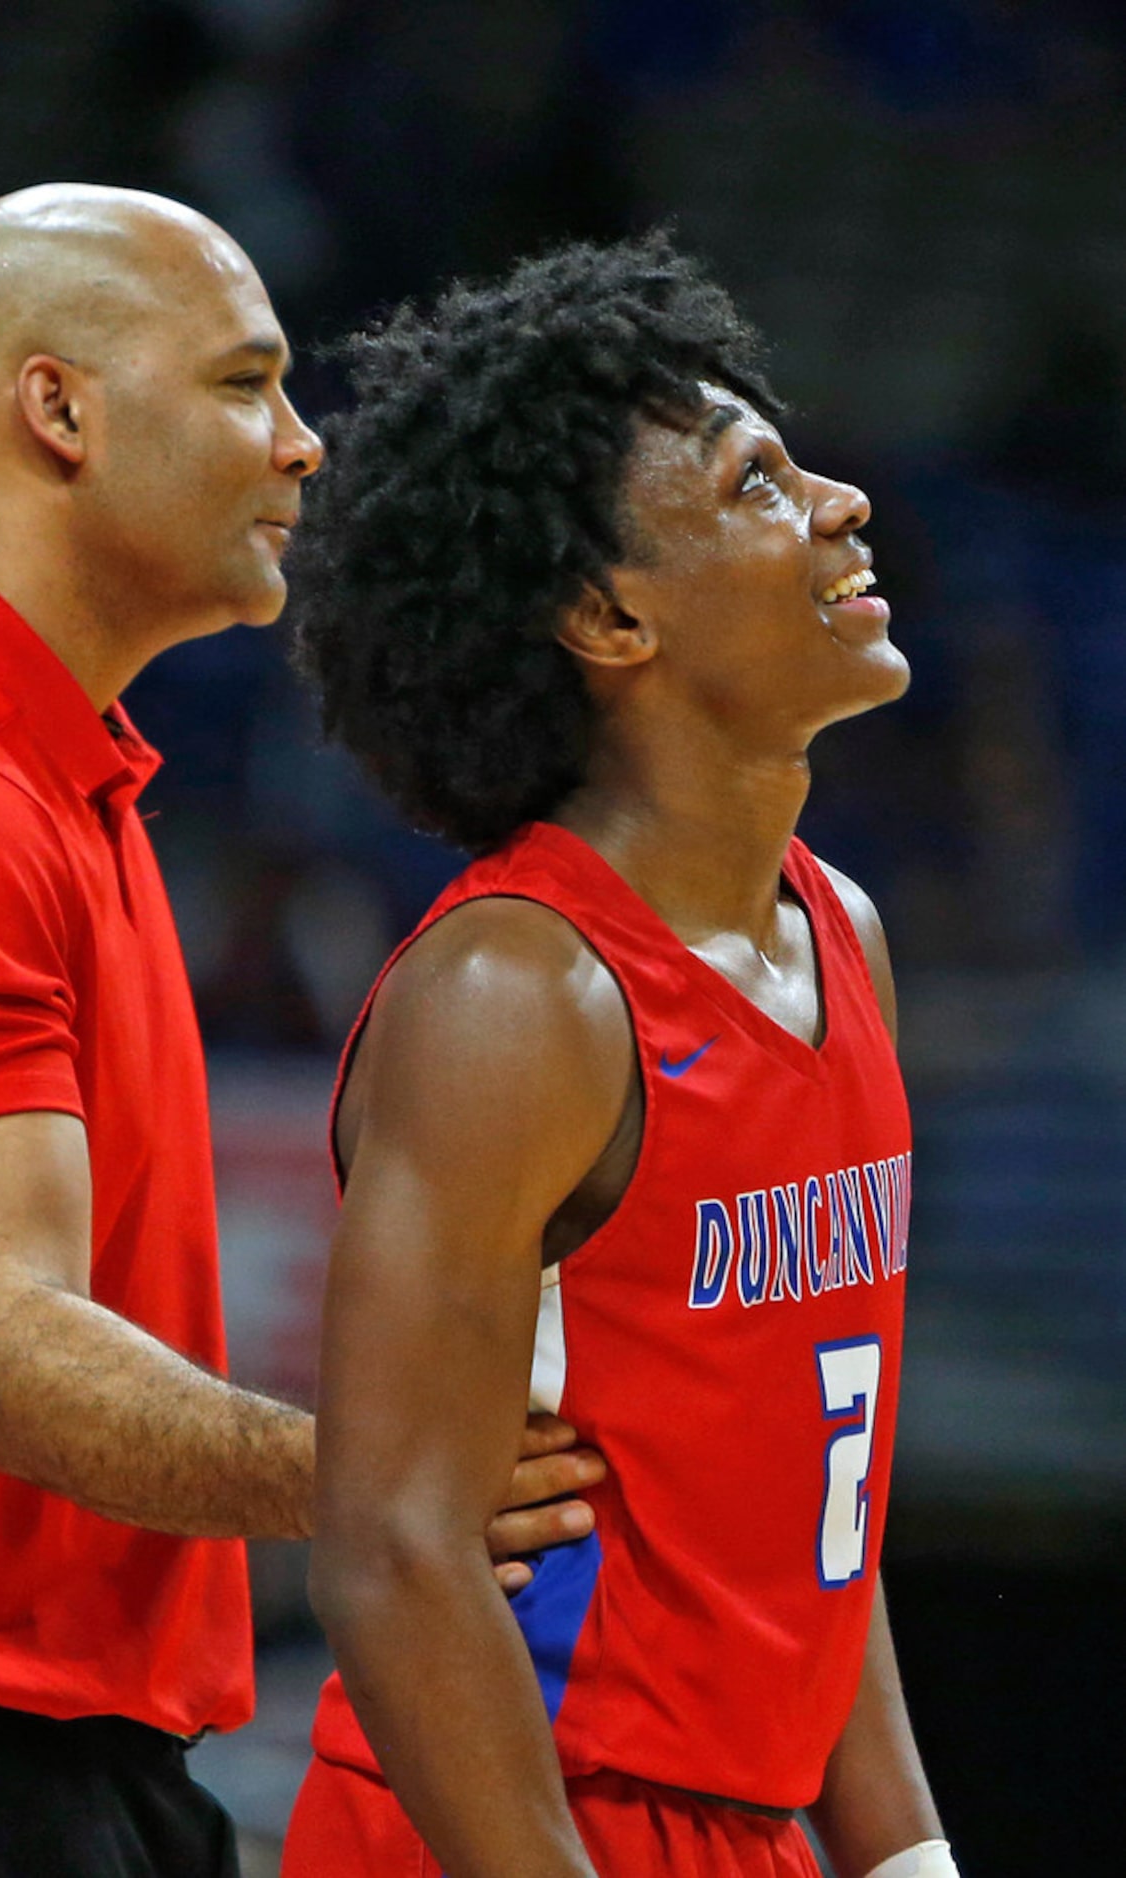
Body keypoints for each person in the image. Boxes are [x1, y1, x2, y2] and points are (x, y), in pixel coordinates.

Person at [0, 184, 601, 1878]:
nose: (303, 446)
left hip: (38, 1777)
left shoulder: (44, 777)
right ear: (58, 411)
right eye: (245, 384)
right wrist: (377, 1477)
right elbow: (1, 1343)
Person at [279, 233, 959, 1878]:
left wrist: (906, 1854)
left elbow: (815, 1512)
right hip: (510, 1815)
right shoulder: (518, 992)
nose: (840, 502)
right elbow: (389, 1545)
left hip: (746, 1821)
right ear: (605, 614)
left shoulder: (841, 932)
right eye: (756, 485)